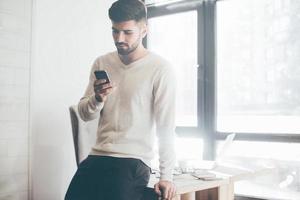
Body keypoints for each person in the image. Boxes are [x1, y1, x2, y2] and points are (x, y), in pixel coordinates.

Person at [65, 0, 176, 199]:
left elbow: (166, 126)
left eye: (127, 32)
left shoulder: (160, 69)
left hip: (133, 160)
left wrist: (166, 176)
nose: (119, 38)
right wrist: (98, 98)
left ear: (144, 30)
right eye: (115, 31)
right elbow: (84, 114)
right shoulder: (102, 62)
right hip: (97, 156)